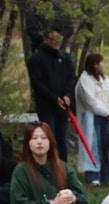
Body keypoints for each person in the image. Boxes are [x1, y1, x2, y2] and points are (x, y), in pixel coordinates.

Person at [26, 28, 76, 159]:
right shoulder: (36, 59)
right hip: (46, 106)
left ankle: (63, 166)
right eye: (52, 39)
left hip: (63, 106)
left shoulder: (65, 57)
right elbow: (37, 83)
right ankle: (49, 164)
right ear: (46, 39)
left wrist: (67, 95)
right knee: (49, 137)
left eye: (58, 39)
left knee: (62, 138)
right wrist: (54, 98)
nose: (56, 42)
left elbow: (71, 77)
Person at [74, 53, 109, 187]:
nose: (103, 65)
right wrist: (105, 112)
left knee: (106, 145)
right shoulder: (85, 80)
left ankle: (106, 174)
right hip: (92, 117)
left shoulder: (105, 79)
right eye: (101, 62)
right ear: (95, 65)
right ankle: (93, 174)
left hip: (106, 118)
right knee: (93, 145)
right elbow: (91, 101)